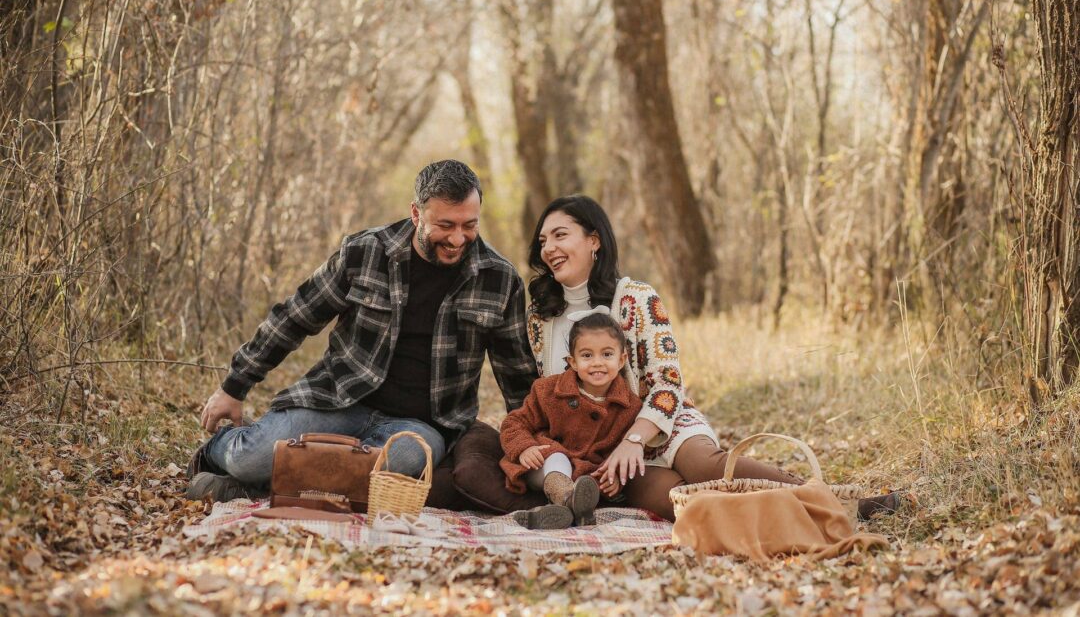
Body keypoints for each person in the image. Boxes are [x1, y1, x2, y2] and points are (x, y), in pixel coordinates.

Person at [184, 160, 546, 505]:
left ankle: (258, 488)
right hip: (337, 401)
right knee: (250, 456)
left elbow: (516, 374)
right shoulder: (364, 252)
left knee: (394, 467)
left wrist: (539, 445)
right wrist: (235, 386)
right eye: (446, 225)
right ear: (416, 214)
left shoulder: (500, 279)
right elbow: (295, 316)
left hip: (421, 426)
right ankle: (226, 456)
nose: (458, 238)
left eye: (470, 225)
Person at [524, 195, 902, 521]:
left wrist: (636, 438)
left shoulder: (636, 298)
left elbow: (668, 382)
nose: (549, 248)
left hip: (662, 425)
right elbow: (550, 402)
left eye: (560, 235)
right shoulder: (541, 322)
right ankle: (789, 520)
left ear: (594, 241)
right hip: (614, 457)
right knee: (684, 501)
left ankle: (840, 503)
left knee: (706, 466)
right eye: (543, 241)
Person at [500, 310, 642, 529]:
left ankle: (558, 514)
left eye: (607, 354)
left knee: (586, 485)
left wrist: (614, 478)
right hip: (542, 463)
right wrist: (524, 448)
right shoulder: (548, 390)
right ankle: (568, 499)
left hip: (587, 477)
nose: (597, 363)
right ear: (573, 362)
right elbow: (514, 423)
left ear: (622, 359)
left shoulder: (629, 407)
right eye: (587, 355)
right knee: (557, 458)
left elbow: (620, 453)